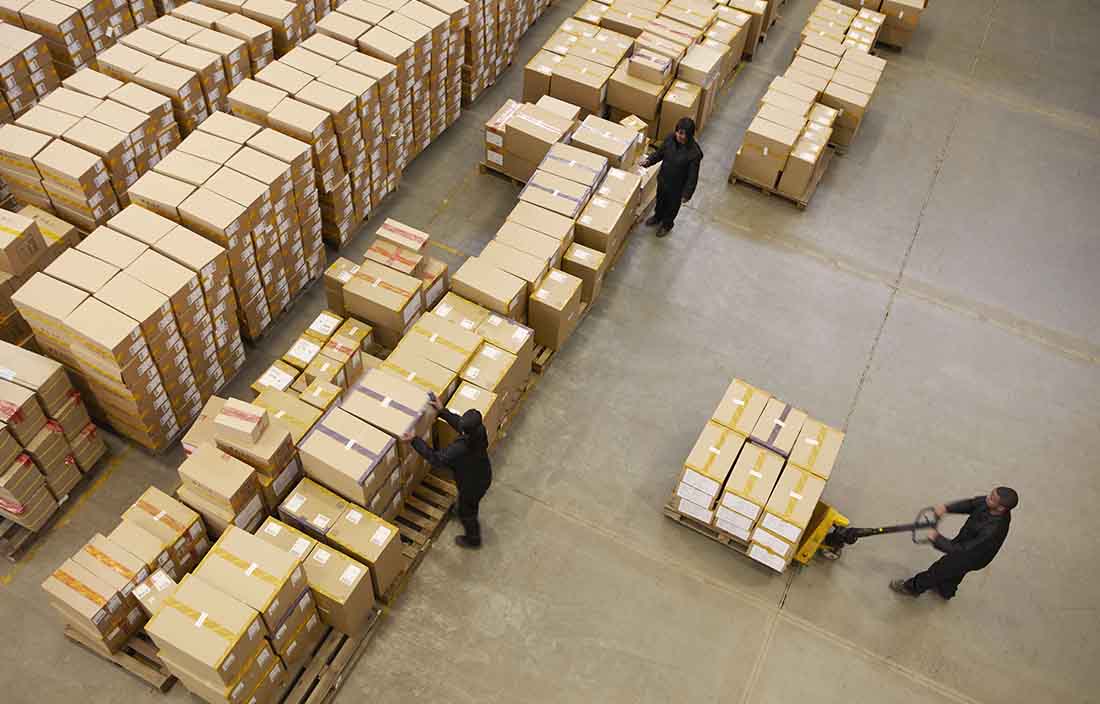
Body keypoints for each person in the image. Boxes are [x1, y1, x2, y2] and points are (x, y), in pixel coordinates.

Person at [890, 487, 1017, 599]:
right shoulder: (990, 504)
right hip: (967, 542)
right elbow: (971, 504)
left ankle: (911, 588)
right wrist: (947, 508)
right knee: (955, 572)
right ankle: (946, 591)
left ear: (1001, 508)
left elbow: (964, 550)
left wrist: (937, 539)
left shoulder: (993, 530)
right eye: (990, 494)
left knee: (937, 571)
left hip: (972, 556)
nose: (987, 498)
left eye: (992, 498)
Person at [404, 395, 492, 549]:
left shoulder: (461, 448)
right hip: (482, 473)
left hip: (472, 484)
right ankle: (465, 508)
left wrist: (414, 440)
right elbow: (460, 424)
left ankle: (473, 539)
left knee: (468, 511)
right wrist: (442, 411)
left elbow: (436, 459)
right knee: (469, 502)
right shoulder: (479, 431)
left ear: (466, 432)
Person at [641, 116, 704, 237]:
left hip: (677, 187)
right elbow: (660, 153)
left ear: (689, 135)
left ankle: (667, 225)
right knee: (660, 201)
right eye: (678, 132)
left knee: (672, 207)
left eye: (683, 134)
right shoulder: (670, 139)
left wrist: (687, 194)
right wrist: (649, 161)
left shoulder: (694, 154)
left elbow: (693, 177)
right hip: (664, 179)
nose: (679, 136)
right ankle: (657, 217)